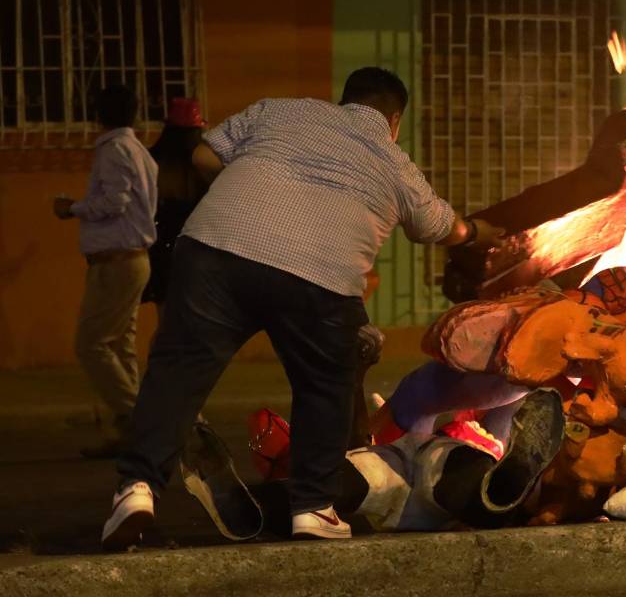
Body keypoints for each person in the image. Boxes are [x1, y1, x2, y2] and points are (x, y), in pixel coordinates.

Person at [102, 67, 505, 551]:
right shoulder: (394, 161)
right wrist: (480, 234)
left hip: (214, 248)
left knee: (177, 373)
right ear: (393, 119)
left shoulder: (281, 109)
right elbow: (440, 227)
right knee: (324, 384)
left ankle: (136, 492)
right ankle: (313, 508)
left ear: (345, 99)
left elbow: (203, 153)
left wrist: (254, 196)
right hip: (319, 276)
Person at [52, 85, 158, 459]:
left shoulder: (113, 151)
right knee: (119, 345)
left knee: (91, 344)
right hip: (134, 259)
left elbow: (114, 201)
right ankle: (129, 435)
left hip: (116, 262)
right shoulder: (139, 150)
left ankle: (137, 419)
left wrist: (73, 208)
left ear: (98, 114)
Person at [141, 97, 211, 319]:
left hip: (160, 245)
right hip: (198, 249)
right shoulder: (206, 163)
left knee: (166, 318)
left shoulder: (151, 160)